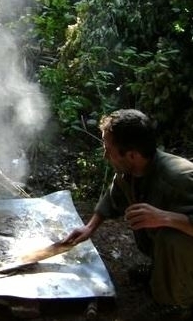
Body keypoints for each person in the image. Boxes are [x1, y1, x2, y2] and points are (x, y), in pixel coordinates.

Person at [63, 109, 193, 321]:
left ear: (132, 154)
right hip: (174, 254)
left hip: (182, 248)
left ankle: (177, 304)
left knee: (173, 237)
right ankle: (160, 272)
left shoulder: (179, 177)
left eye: (108, 149)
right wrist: (89, 228)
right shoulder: (131, 172)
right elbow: (113, 196)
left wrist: (166, 217)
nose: (105, 155)